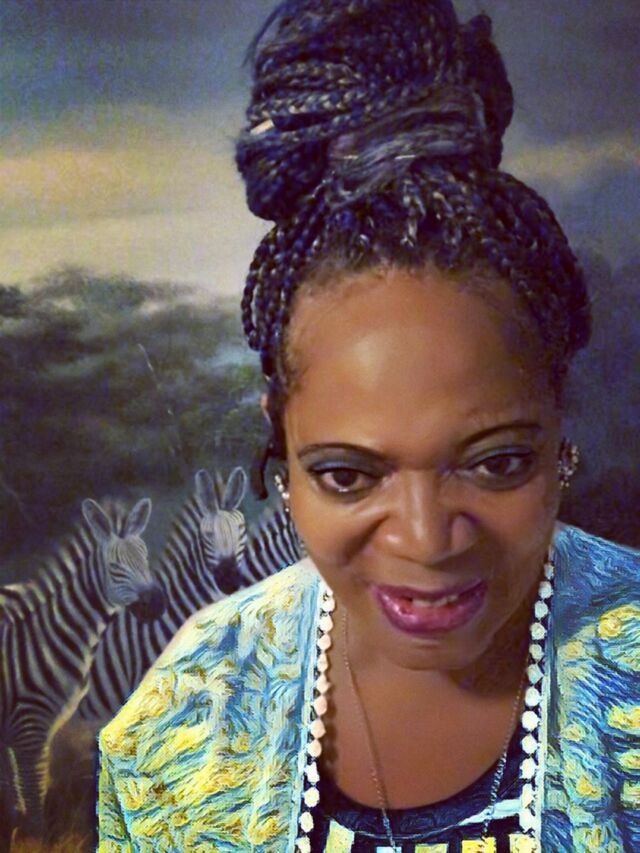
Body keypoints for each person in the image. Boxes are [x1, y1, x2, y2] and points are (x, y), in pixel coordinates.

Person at [97, 1, 640, 851]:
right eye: (348, 475)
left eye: (496, 463)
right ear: (282, 445)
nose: (426, 539)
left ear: (557, 427)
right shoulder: (180, 726)